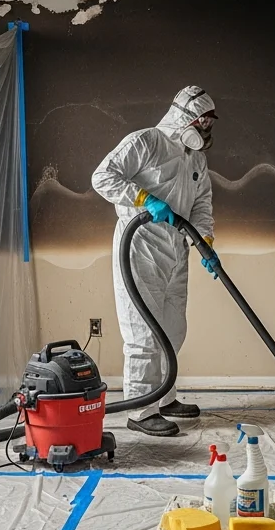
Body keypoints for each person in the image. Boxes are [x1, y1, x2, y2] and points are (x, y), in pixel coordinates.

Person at [91, 85, 218, 436]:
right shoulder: (146, 142)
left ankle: (164, 397)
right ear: (184, 116)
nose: (206, 127)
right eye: (202, 119)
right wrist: (144, 198)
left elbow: (202, 203)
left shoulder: (196, 159)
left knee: (173, 329)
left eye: (210, 121)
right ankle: (141, 410)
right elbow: (102, 176)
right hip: (140, 246)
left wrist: (205, 241)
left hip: (176, 250)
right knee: (143, 332)